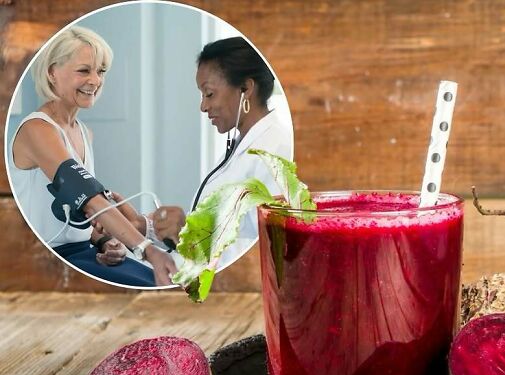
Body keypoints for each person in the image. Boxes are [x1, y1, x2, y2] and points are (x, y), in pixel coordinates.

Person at [9, 26, 176, 287]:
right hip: (48, 260)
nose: (96, 81)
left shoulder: (85, 133)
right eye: (84, 70)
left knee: (160, 283)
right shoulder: (37, 130)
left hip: (83, 252)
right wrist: (147, 249)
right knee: (154, 284)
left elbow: (81, 218)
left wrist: (105, 240)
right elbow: (88, 199)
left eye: (101, 71)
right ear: (52, 72)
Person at [147, 37, 293, 271]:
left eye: (209, 94)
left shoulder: (274, 150)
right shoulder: (242, 144)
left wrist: (191, 233)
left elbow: (264, 250)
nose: (203, 106)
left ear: (245, 89)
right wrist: (144, 227)